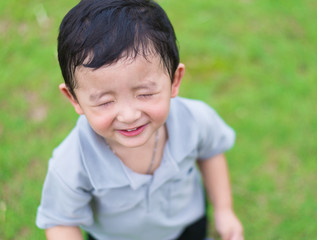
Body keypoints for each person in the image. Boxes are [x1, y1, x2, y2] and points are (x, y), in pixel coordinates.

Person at [36, 0, 244, 239]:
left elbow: (211, 152)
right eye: (105, 102)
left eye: (145, 94)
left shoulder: (195, 120)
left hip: (187, 227)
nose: (129, 115)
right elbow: (61, 221)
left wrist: (224, 210)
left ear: (174, 80)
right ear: (73, 98)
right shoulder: (72, 161)